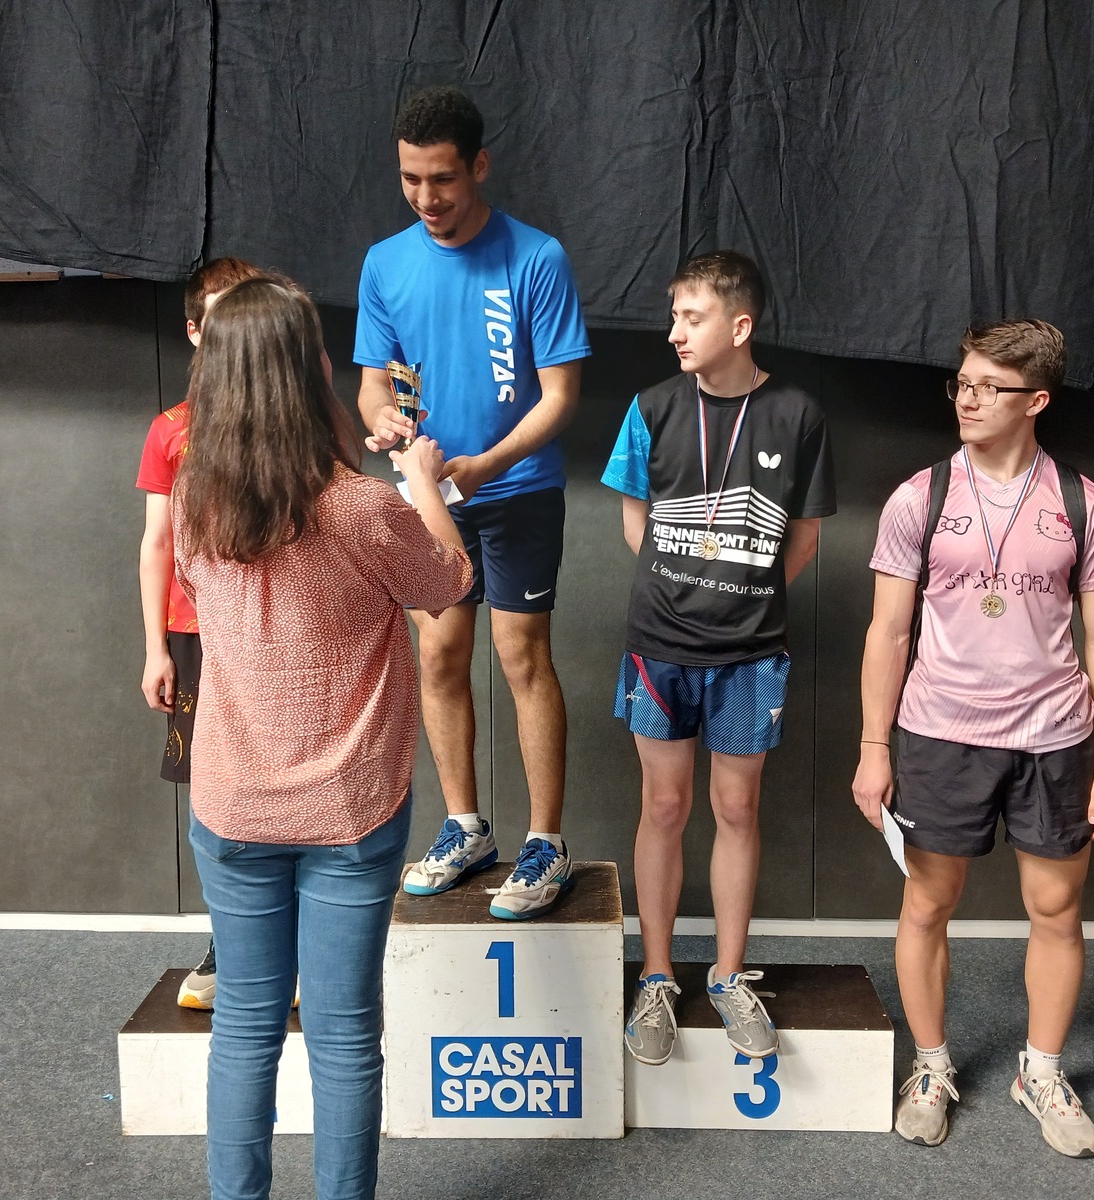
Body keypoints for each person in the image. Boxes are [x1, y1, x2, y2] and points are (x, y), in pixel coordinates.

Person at [174, 277, 471, 1200]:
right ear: (306, 372)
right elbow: (447, 582)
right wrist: (424, 483)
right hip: (350, 811)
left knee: (245, 1027)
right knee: (343, 1037)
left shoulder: (192, 502)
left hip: (232, 805)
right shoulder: (357, 507)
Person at [852, 320, 1094, 1158]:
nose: (967, 400)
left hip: (1055, 739)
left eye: (988, 388)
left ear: (1035, 401)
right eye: (962, 384)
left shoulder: (1083, 503)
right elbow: (887, 632)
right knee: (928, 904)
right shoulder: (919, 498)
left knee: (1057, 909)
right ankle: (931, 1067)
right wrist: (873, 748)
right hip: (941, 734)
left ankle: (1040, 1072)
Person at [354, 84, 592, 920]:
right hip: (429, 494)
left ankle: (546, 841)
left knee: (521, 656)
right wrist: (382, 419)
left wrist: (489, 463)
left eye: (443, 179)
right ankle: (465, 827)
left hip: (516, 487)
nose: (427, 197)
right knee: (441, 655)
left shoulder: (536, 258)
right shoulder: (385, 263)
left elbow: (561, 396)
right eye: (411, 179)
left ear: (479, 166)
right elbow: (373, 383)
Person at [603, 251, 835, 1064]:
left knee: (737, 809)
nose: (675, 332)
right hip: (659, 646)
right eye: (674, 316)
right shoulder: (651, 407)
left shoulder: (798, 414)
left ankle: (729, 975)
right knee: (664, 806)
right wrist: (683, 591)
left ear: (740, 325)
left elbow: (804, 537)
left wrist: (743, 598)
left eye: (691, 317)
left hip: (750, 653)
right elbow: (635, 521)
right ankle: (657, 976)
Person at [137, 255, 264, 1009]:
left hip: (272, 633)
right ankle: (231, 943)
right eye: (220, 317)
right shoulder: (171, 431)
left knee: (279, 783)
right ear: (193, 331)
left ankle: (295, 942)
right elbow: (157, 543)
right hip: (194, 635)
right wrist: (156, 647)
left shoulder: (289, 424)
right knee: (211, 794)